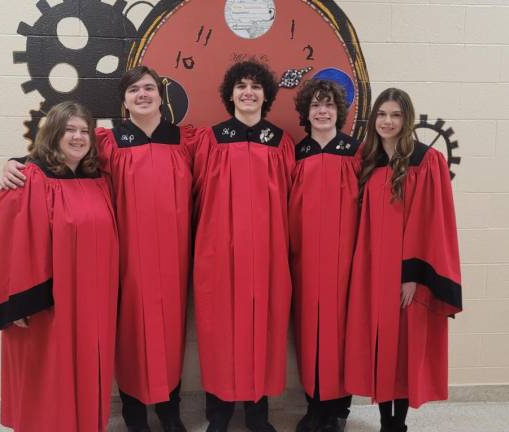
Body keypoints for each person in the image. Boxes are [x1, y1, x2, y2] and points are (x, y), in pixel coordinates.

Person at [0, 66, 194, 432]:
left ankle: (170, 410)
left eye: (149, 88)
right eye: (134, 89)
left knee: (171, 334)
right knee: (130, 334)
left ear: (161, 97)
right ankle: (135, 412)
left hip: (174, 259)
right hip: (124, 262)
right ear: (123, 100)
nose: (143, 94)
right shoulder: (108, 141)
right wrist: (15, 162)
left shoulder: (186, 141)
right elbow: (56, 158)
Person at [0, 101, 119, 431]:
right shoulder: (29, 179)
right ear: (53, 134)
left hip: (93, 302)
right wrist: (15, 299)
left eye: (84, 130)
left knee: (89, 368)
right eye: (68, 130)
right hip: (50, 302)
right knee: (50, 373)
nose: (77, 137)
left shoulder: (97, 178)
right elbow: (8, 245)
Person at [344, 88, 462, 432]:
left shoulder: (426, 162)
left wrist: (411, 274)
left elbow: (431, 221)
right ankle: (385, 422)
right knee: (379, 345)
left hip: (405, 273)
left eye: (395, 115)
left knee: (402, 348)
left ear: (406, 119)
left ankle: (398, 424)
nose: (387, 121)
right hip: (372, 270)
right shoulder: (367, 161)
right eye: (382, 114)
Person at [191, 60, 295, 432]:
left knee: (262, 331)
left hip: (266, 256)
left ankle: (257, 414)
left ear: (266, 95)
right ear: (230, 94)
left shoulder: (281, 142)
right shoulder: (210, 139)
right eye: (240, 86)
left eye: (255, 86)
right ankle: (218, 414)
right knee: (219, 332)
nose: (248, 92)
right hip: (219, 255)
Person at [289, 80, 360, 432]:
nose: (322, 111)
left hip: (344, 261)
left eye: (329, 105)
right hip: (305, 261)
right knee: (309, 333)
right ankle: (314, 406)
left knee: (340, 334)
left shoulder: (354, 152)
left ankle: (338, 410)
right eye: (315, 105)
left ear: (339, 111)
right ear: (306, 112)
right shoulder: (295, 154)